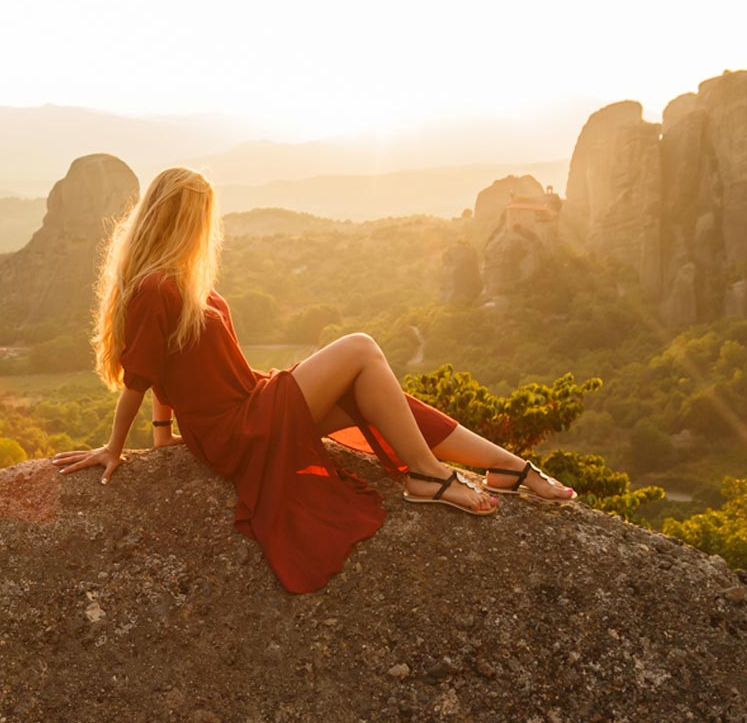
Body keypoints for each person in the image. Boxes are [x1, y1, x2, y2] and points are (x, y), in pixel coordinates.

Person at [51, 167, 575, 593]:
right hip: (239, 428)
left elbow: (170, 368)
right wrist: (114, 448)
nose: (204, 229)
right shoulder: (155, 287)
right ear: (179, 218)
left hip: (252, 403)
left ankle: (510, 467)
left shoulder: (179, 283)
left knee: (377, 394)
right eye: (199, 217)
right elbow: (141, 377)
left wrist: (165, 435)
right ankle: (428, 474)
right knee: (362, 347)